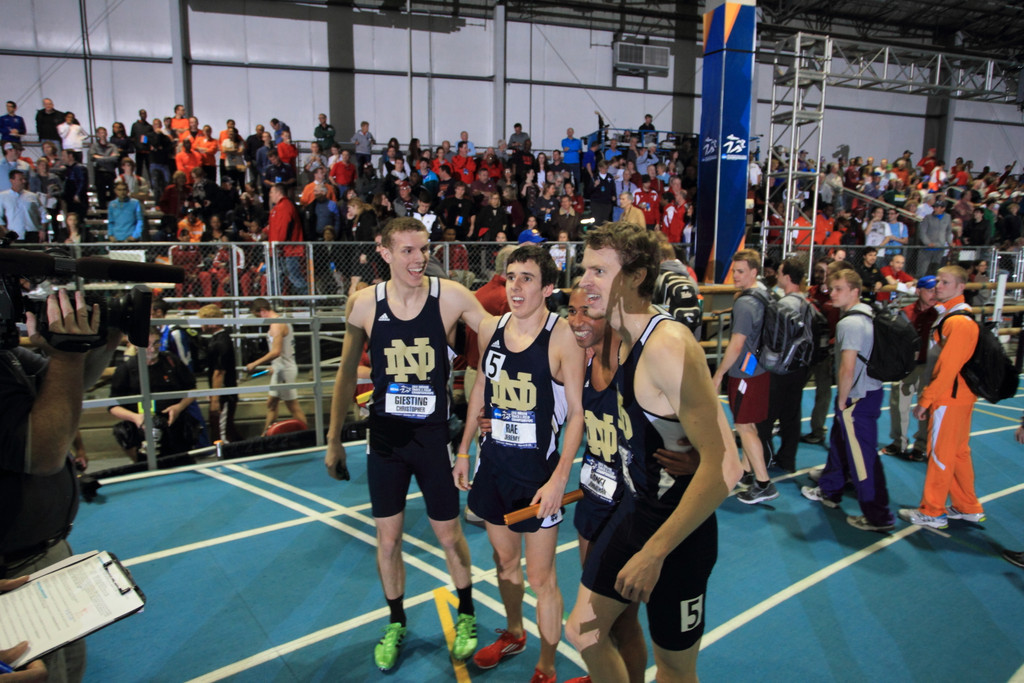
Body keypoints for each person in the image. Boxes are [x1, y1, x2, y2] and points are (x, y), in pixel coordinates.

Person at [564, 222, 741, 682]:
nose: (586, 281)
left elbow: (726, 469)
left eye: (600, 271)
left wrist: (655, 553)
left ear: (636, 276)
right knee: (583, 633)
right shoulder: (622, 341)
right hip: (636, 509)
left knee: (675, 669)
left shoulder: (668, 347)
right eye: (586, 269)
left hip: (679, 533)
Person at [325, 217, 489, 670]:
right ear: (385, 251)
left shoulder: (450, 296)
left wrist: (543, 329)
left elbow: (496, 331)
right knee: (387, 539)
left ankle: (468, 612)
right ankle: (395, 620)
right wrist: (334, 438)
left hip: (432, 438)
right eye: (409, 251)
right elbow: (343, 374)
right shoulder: (362, 304)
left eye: (424, 249)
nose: (420, 259)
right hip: (386, 442)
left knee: (449, 535)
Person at [453, 244, 584, 683]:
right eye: (511, 276)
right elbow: (480, 390)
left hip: (538, 476)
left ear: (548, 287)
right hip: (494, 466)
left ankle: (546, 666)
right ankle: (513, 632)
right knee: (504, 563)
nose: (516, 286)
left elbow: (578, 414)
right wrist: (465, 448)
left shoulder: (562, 336)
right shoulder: (492, 328)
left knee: (541, 578)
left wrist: (559, 478)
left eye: (527, 278)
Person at [1, 289, 119, 683]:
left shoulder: (8, 358)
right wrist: (66, 352)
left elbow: (74, 380)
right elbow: (45, 453)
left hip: (42, 556)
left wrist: (104, 337)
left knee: (67, 672)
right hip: (14, 569)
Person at [801, 268, 895, 532]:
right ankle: (830, 491)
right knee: (840, 444)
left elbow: (847, 367)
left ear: (855, 291)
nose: (833, 293)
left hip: (856, 398)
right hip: (868, 392)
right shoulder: (868, 313)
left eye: (839, 288)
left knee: (863, 459)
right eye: (832, 288)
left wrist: (843, 401)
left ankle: (879, 516)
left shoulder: (850, 323)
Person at [899, 265, 986, 530]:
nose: (938, 287)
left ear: (961, 287)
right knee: (958, 453)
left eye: (945, 283)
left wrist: (926, 400)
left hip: (950, 398)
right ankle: (967, 506)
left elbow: (948, 368)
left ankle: (933, 510)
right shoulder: (953, 316)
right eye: (938, 282)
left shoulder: (958, 322)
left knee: (938, 454)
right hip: (959, 397)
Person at [710, 249, 776, 504]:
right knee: (751, 424)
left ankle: (763, 483)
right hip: (759, 368)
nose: (735, 276)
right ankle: (747, 472)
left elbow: (736, 345)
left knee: (744, 426)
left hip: (745, 373)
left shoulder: (745, 303)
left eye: (740, 272)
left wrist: (719, 374)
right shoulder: (764, 294)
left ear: (753, 272)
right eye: (733, 271)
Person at [108, 328, 202, 463]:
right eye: (147, 344)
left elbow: (192, 389)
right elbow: (113, 406)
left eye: (156, 343)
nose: (152, 349)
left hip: (176, 428)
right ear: (136, 344)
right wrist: (136, 418)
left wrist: (179, 407)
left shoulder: (172, 361)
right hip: (142, 431)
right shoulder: (126, 369)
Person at [755, 256, 813, 473]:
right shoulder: (806, 303)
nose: (776, 276)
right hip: (800, 366)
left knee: (765, 417)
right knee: (791, 415)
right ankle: (787, 459)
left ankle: (765, 458)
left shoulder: (783, 306)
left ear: (787, 277)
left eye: (779, 272)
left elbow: (773, 341)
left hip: (779, 369)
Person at [879, 275, 937, 462]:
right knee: (898, 405)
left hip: (928, 366)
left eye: (936, 290)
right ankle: (899, 442)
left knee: (925, 406)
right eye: (929, 290)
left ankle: (921, 445)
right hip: (906, 366)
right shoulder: (906, 312)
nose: (934, 294)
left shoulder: (940, 314)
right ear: (919, 291)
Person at [245, 298, 307, 435]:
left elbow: (276, 351)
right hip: (281, 368)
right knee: (271, 404)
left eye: (257, 315)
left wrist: (255, 363)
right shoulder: (280, 322)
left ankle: (309, 435)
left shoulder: (277, 325)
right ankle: (265, 435)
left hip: (284, 370)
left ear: (262, 311)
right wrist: (274, 367)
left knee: (293, 406)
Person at [197, 304, 243, 444]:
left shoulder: (221, 342)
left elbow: (219, 372)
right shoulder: (218, 339)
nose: (200, 325)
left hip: (224, 394)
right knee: (224, 427)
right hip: (222, 392)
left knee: (222, 430)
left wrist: (215, 399)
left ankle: (225, 452)